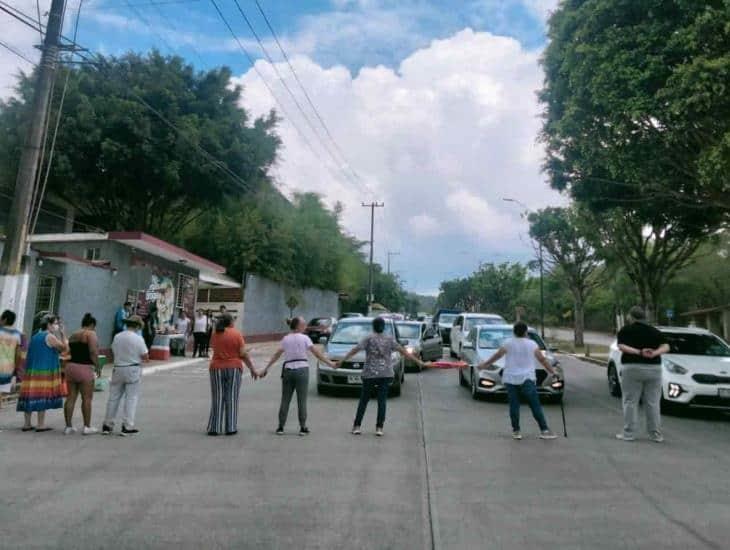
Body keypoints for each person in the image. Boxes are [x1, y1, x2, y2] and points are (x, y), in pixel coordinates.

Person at [335, 317, 428, 436]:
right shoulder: (389, 339)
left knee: (364, 400)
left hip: (370, 374)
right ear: (384, 327)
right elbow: (403, 351)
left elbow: (355, 350)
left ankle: (357, 426)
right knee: (382, 401)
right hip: (385, 373)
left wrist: (342, 361)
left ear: (373, 327)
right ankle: (379, 428)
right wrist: (419, 362)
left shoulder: (368, 338)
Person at [476, 321, 559, 440]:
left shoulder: (508, 343)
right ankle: (544, 430)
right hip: (527, 378)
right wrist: (552, 371)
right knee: (534, 404)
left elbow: (497, 356)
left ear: (514, 332)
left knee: (514, 405)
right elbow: (542, 360)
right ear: (526, 331)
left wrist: (484, 365)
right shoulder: (532, 344)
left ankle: (516, 431)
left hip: (510, 377)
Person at [262, 317, 336, 436]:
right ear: (297, 326)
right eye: (303, 324)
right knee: (301, 400)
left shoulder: (286, 339)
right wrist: (330, 363)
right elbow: (316, 353)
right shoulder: (305, 338)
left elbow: (277, 354)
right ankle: (302, 427)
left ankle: (281, 427)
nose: (305, 326)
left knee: (285, 399)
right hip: (302, 369)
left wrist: (266, 368)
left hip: (288, 369)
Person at [615, 306, 670, 443]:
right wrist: (654, 353)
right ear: (644, 317)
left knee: (630, 401)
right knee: (653, 402)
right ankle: (655, 434)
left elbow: (621, 346)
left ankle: (629, 433)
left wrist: (639, 352)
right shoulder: (655, 331)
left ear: (631, 317)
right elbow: (666, 346)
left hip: (632, 368)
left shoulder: (626, 330)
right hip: (654, 369)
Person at [207, 313, 258, 436]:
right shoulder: (236, 334)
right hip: (234, 368)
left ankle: (215, 427)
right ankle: (230, 427)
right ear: (230, 322)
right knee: (231, 397)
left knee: (217, 397)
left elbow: (212, 348)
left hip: (216, 368)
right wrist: (252, 368)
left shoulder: (215, 334)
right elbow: (243, 354)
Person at [16, 314, 68, 432]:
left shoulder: (35, 336)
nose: (57, 326)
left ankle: (27, 424)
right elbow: (64, 348)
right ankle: (40, 424)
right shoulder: (50, 337)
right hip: (43, 371)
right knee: (42, 395)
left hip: (32, 370)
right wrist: (63, 333)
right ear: (49, 325)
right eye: (55, 323)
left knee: (29, 395)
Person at [102, 315, 149, 436]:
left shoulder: (117, 336)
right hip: (133, 368)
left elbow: (113, 351)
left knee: (113, 398)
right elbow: (145, 356)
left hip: (118, 368)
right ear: (138, 326)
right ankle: (127, 426)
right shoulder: (138, 339)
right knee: (131, 398)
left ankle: (107, 425)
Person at [63, 313, 100, 435]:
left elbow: (68, 350)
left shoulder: (73, 334)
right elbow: (93, 351)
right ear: (92, 325)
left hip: (71, 367)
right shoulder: (91, 334)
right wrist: (98, 366)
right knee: (87, 398)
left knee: (71, 397)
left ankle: (68, 426)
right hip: (84, 368)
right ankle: (87, 426)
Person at [0, 310, 25, 409]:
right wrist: (16, 368)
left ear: (4, 319)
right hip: (8, 368)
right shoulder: (17, 335)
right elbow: (18, 354)